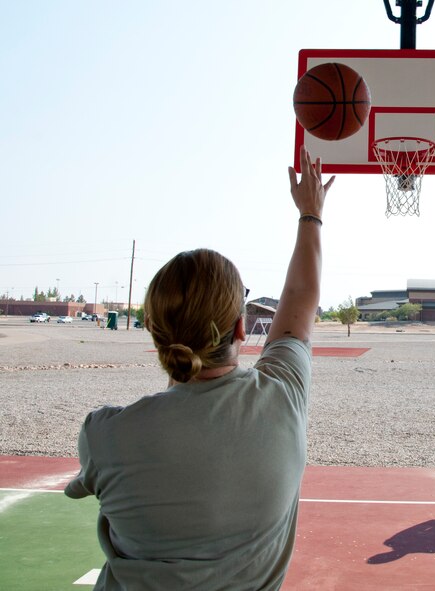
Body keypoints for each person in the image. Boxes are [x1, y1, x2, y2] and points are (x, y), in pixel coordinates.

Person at [64, 146, 334, 590]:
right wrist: (311, 215)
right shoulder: (282, 398)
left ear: (152, 328)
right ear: (240, 327)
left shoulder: (104, 434)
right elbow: (302, 297)